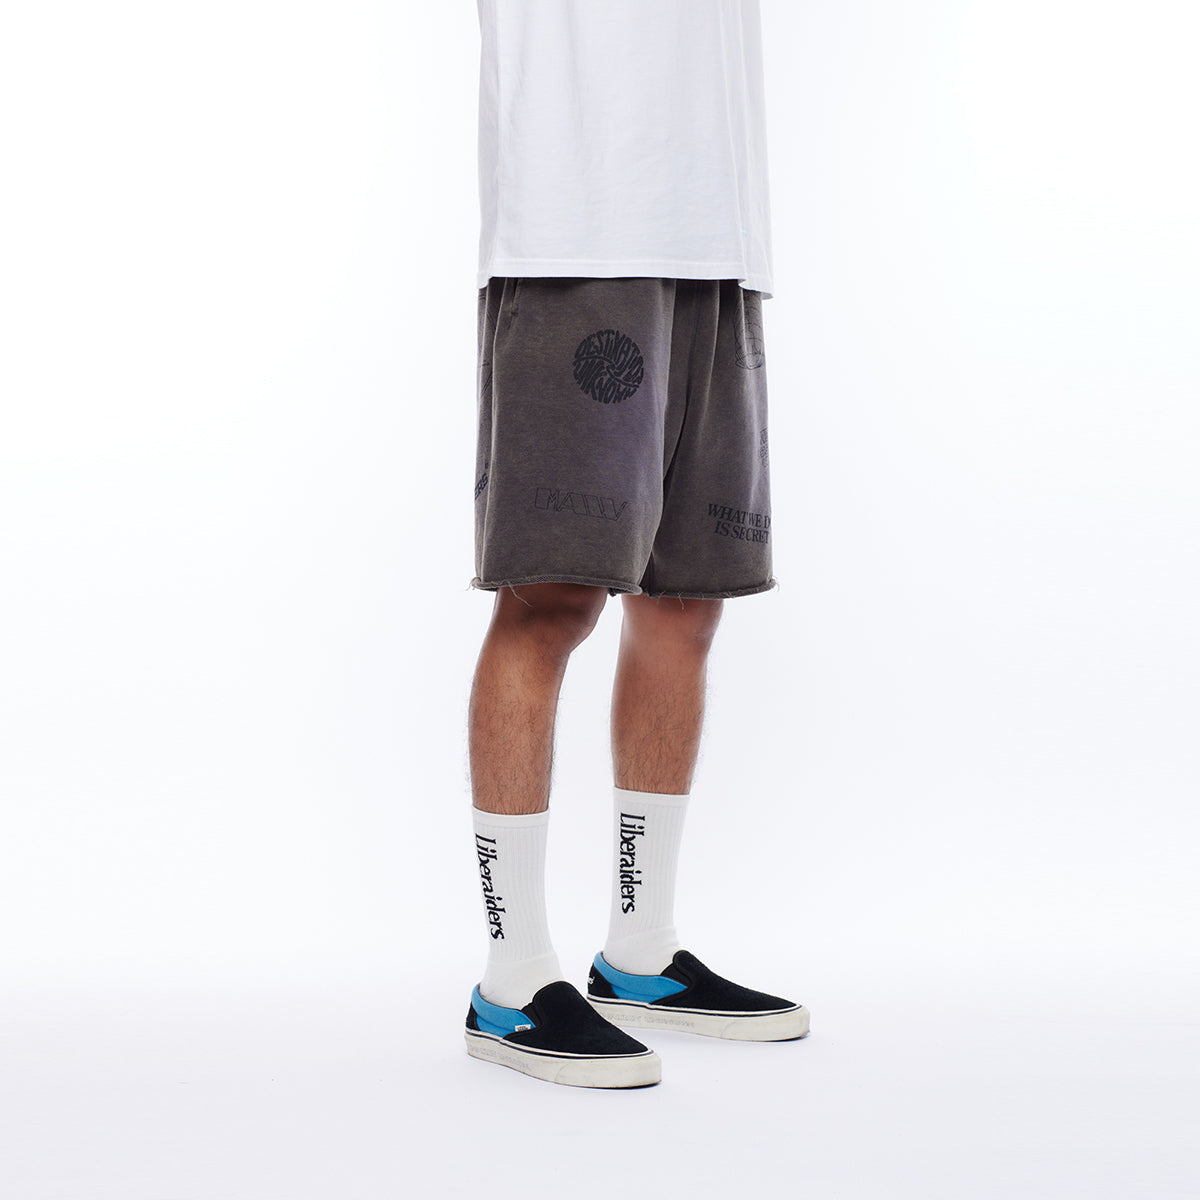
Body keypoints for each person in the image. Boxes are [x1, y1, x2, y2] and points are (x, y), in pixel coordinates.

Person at [464, 0, 808, 1088]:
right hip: (577, 230)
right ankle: (512, 980)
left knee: (686, 601)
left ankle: (641, 955)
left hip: (721, 236)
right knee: (551, 598)